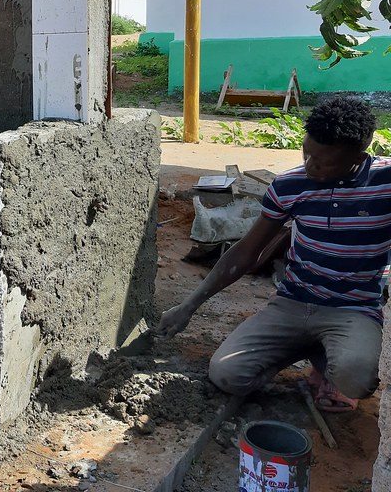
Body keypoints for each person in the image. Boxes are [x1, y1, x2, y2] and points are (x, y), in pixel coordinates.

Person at [157, 96, 390, 412]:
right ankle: (298, 349)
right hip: (292, 303)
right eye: (306, 153)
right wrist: (188, 306)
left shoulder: (384, 183)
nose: (309, 166)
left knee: (357, 380)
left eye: (322, 162)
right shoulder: (290, 185)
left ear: (357, 157)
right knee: (226, 374)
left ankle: (327, 361)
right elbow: (246, 251)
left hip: (353, 308)